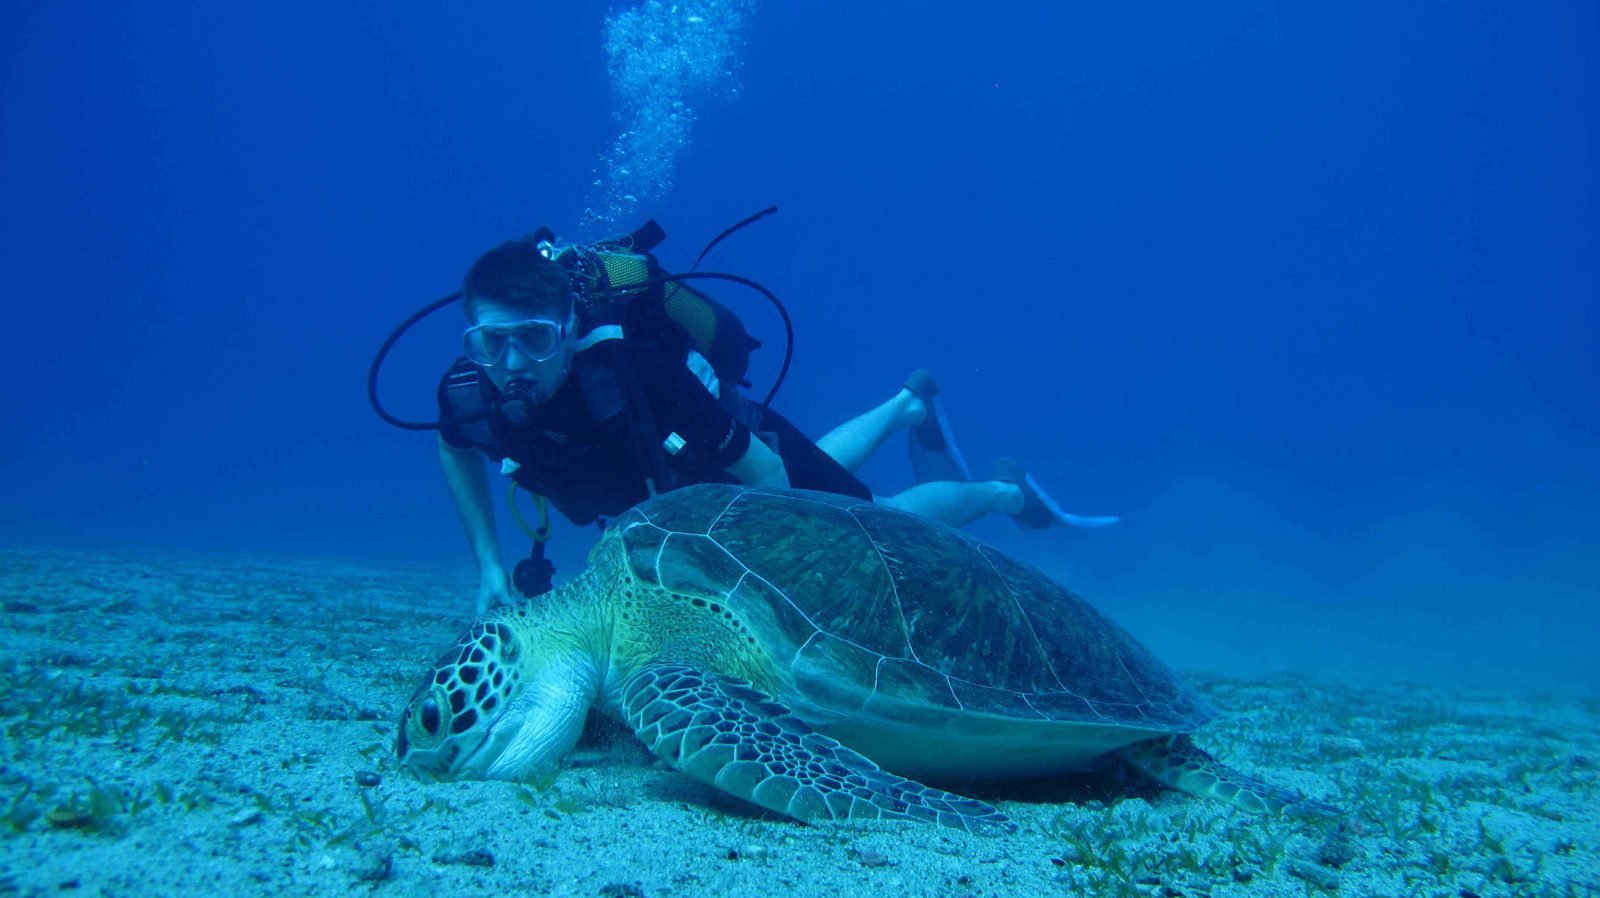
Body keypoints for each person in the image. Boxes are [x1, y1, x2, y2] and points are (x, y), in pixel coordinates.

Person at [436, 232, 1113, 612]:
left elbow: (763, 471)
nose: (513, 364)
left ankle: (1009, 493)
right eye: (490, 343)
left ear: (567, 328)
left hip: (738, 452)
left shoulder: (640, 376)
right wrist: (490, 567)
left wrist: (786, 581)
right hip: (702, 488)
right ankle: (906, 406)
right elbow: (455, 449)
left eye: (533, 339)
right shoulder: (470, 392)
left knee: (883, 521)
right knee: (826, 479)